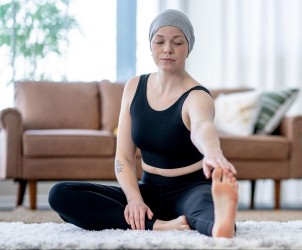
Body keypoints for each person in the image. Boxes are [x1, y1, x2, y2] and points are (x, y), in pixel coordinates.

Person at [48, 9, 238, 238]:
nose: (167, 49)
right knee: (61, 194)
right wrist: (134, 199)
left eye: (177, 42)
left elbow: (202, 127)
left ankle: (221, 224)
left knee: (208, 214)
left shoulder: (198, 96)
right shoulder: (133, 87)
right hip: (147, 189)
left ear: (189, 48)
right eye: (160, 42)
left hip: (190, 190)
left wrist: (212, 152)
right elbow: (124, 157)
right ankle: (156, 225)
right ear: (150, 46)